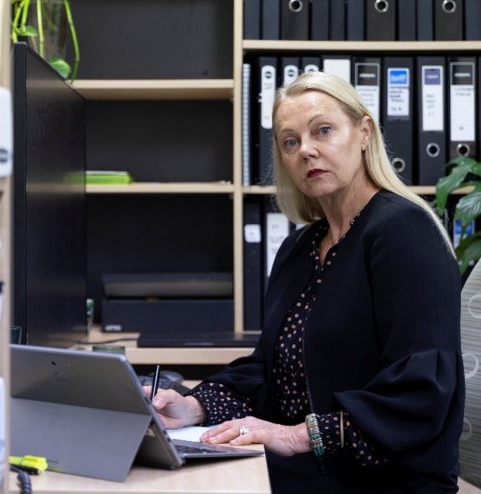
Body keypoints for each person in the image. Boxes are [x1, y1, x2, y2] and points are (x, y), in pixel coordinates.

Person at [148, 71, 464, 493]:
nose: (306, 151)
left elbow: (421, 393)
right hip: (310, 468)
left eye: (323, 130)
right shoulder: (299, 247)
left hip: (383, 478)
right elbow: (270, 371)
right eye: (290, 142)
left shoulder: (404, 231)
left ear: (364, 132)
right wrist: (195, 406)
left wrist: (298, 435)